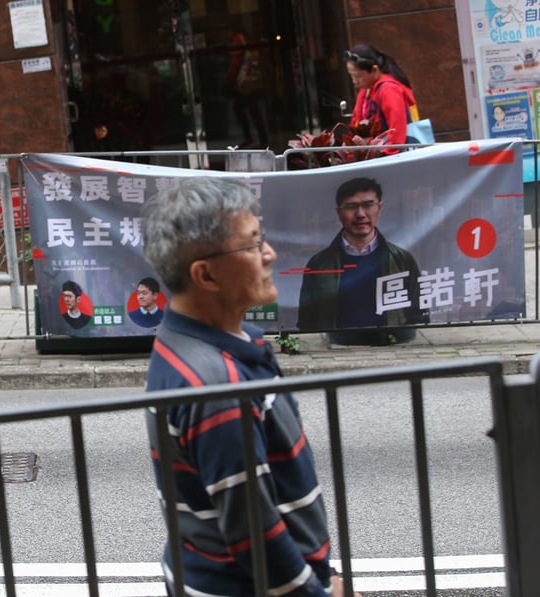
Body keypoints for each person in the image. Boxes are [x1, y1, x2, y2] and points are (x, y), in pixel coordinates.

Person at [140, 176, 355, 597]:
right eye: (253, 244)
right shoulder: (218, 387)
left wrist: (324, 577)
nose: (269, 254)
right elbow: (254, 535)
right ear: (206, 275)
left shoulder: (192, 344)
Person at [297, 176, 428, 331]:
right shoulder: (319, 263)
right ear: (339, 212)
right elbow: (306, 320)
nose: (360, 214)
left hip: (390, 349)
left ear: (379, 208)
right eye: (351, 206)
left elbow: (419, 313)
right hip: (335, 349)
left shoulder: (401, 259)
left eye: (368, 205)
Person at [345, 44, 419, 146]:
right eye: (351, 76)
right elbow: (355, 123)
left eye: (357, 76)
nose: (354, 81)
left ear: (374, 70)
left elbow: (396, 133)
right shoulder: (364, 91)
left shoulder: (389, 90)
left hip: (394, 155)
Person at [223, 28, 269, 149]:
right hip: (251, 81)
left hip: (247, 83)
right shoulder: (245, 39)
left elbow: (236, 63)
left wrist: (229, 80)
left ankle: (254, 138)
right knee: (249, 110)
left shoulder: (238, 40)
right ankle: (258, 138)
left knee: (248, 110)